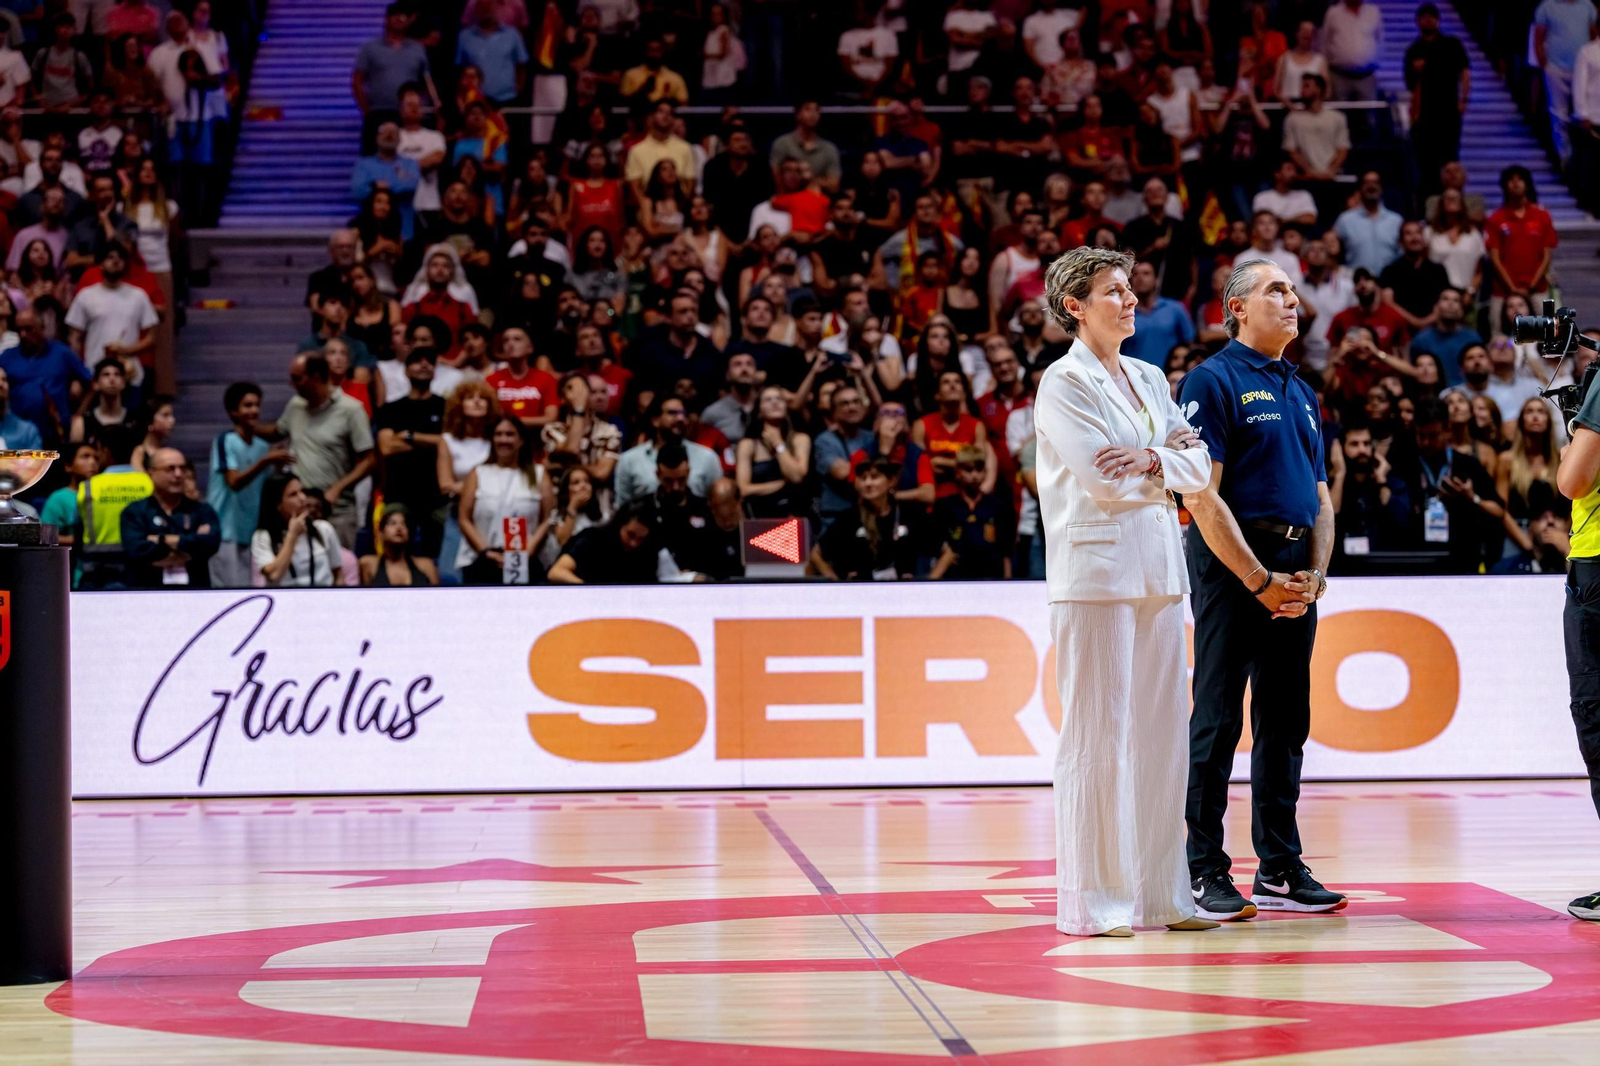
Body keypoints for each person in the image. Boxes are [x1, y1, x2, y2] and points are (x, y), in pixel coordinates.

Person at [1032, 245, 1215, 937]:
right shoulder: (1063, 382)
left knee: (1165, 739)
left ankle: (1164, 898)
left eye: (1132, 288)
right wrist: (1162, 464)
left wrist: (1154, 459)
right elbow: (1105, 481)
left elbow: (1198, 466)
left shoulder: (1148, 375)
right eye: (1114, 290)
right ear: (1075, 306)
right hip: (1095, 576)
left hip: (1161, 572)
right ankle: (1095, 904)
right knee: (1097, 738)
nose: (1131, 300)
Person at [1179, 258, 1346, 920]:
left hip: (1294, 568)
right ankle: (1202, 869)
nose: (1292, 299)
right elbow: (1200, 494)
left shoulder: (1302, 391)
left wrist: (1315, 573)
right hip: (1232, 564)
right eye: (1276, 289)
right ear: (1238, 308)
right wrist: (1257, 578)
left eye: (1295, 290)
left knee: (1284, 722)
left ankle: (1278, 867)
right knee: (1217, 719)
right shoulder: (1212, 379)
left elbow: (1323, 496)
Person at [270, 352, 375, 549]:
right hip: (300, 510)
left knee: (341, 572)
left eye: (297, 378)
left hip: (337, 511)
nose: (291, 384)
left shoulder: (351, 410)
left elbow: (369, 460)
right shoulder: (295, 405)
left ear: (316, 377)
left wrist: (337, 488)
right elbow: (277, 431)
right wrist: (248, 426)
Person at [207, 382, 291, 589]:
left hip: (250, 532)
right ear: (233, 411)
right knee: (225, 592)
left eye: (257, 405)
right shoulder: (225, 441)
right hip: (223, 532)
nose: (254, 410)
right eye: (247, 405)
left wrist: (278, 466)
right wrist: (265, 461)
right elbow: (234, 482)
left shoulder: (263, 447)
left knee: (245, 590)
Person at [457, 415, 553, 584]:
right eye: (498, 434)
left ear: (521, 440)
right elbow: (464, 518)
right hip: (483, 559)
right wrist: (485, 551)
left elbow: (547, 519)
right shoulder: (478, 473)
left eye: (510, 434)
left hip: (525, 559)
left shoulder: (539, 474)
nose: (503, 439)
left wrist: (527, 551)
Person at [1414, 396, 1505, 572]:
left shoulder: (1467, 464)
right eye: (1421, 435)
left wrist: (1471, 498)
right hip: (1417, 560)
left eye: (1433, 436)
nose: (1426, 443)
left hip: (1462, 559)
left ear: (1448, 430)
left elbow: (1498, 510)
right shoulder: (1406, 465)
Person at [374, 347, 446, 558]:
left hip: (437, 494)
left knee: (438, 557)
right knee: (395, 554)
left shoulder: (447, 407)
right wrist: (431, 441)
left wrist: (409, 436)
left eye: (429, 362)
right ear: (406, 371)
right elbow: (386, 447)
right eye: (417, 361)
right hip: (399, 492)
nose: (424, 365)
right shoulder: (391, 409)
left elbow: (449, 444)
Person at [119, 446, 220, 588]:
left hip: (194, 594)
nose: (178, 474)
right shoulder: (135, 512)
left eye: (182, 468)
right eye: (170, 469)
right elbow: (137, 551)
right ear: (151, 474)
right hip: (146, 593)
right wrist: (188, 546)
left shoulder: (202, 511)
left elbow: (209, 545)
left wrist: (160, 540)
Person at [809, 457, 925, 580]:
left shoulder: (908, 515)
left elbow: (946, 551)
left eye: (874, 477)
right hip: (859, 593)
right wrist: (835, 583)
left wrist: (934, 581)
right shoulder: (849, 518)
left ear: (891, 481)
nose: (868, 483)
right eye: (863, 478)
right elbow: (816, 555)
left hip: (904, 592)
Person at [252, 472, 343, 587]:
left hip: (323, 598)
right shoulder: (262, 536)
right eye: (293, 494)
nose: (302, 498)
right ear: (278, 505)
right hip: (285, 600)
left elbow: (338, 574)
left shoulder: (323, 528)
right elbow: (274, 574)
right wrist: (292, 535)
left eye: (302, 491)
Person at [735, 384, 812, 519]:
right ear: (759, 411)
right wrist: (782, 484)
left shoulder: (800, 439)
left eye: (779, 399)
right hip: (761, 514)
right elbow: (743, 489)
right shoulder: (748, 444)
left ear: (786, 407)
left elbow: (796, 477)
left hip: (796, 512)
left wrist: (778, 444)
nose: (775, 402)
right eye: (768, 400)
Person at [546, 499, 665, 584]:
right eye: (630, 535)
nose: (633, 543)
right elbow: (556, 572)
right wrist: (588, 589)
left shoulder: (647, 551)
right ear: (620, 525)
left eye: (640, 538)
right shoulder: (593, 539)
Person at [361, 505, 440, 586]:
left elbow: (438, 596)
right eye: (392, 523)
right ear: (381, 533)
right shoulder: (368, 564)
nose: (399, 528)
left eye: (403, 524)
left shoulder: (426, 566)